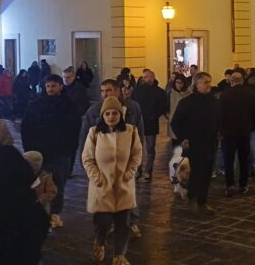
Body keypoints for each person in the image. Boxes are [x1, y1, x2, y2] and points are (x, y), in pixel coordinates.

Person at [80, 79, 146, 237]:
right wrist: (88, 166)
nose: (105, 94)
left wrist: (136, 162)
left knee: (129, 194)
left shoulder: (132, 108)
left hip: (125, 161)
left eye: (108, 90)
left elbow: (140, 134)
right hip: (104, 163)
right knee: (105, 196)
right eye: (102, 91)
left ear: (117, 91)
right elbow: (85, 138)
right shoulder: (94, 111)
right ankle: (106, 227)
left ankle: (132, 223)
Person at [21, 74, 80, 229]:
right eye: (48, 86)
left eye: (53, 85)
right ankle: (39, 214)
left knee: (59, 183)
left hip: (61, 151)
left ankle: (55, 213)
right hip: (40, 152)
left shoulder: (69, 105)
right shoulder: (35, 105)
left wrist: (70, 148)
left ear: (60, 86)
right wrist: (30, 149)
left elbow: (75, 128)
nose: (50, 89)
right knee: (38, 184)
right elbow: (26, 127)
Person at [171, 72, 220, 214]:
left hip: (210, 143)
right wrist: (183, 138)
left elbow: (218, 119)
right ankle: (193, 197)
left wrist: (219, 130)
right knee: (196, 173)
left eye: (209, 82)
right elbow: (176, 123)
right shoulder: (187, 102)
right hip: (193, 144)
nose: (208, 85)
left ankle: (202, 201)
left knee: (207, 173)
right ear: (196, 84)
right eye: (205, 82)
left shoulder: (214, 102)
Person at [219, 72, 255, 196]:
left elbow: (220, 113)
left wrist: (220, 130)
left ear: (231, 81)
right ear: (242, 80)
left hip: (228, 132)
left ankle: (230, 184)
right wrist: (253, 126)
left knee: (229, 159)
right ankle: (243, 184)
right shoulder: (250, 94)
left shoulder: (225, 94)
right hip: (245, 131)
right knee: (244, 159)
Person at [131, 69, 169, 181]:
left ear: (152, 77)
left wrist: (155, 115)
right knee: (137, 148)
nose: (144, 79)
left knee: (150, 148)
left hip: (151, 123)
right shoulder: (137, 91)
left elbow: (163, 106)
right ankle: (138, 171)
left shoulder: (159, 92)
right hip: (138, 123)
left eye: (146, 77)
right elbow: (133, 104)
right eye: (143, 77)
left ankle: (148, 171)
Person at [168, 74, 192, 147]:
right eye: (177, 82)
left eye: (180, 82)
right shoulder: (171, 93)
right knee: (176, 149)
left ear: (184, 83)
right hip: (174, 123)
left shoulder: (189, 94)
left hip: (186, 124)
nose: (178, 84)